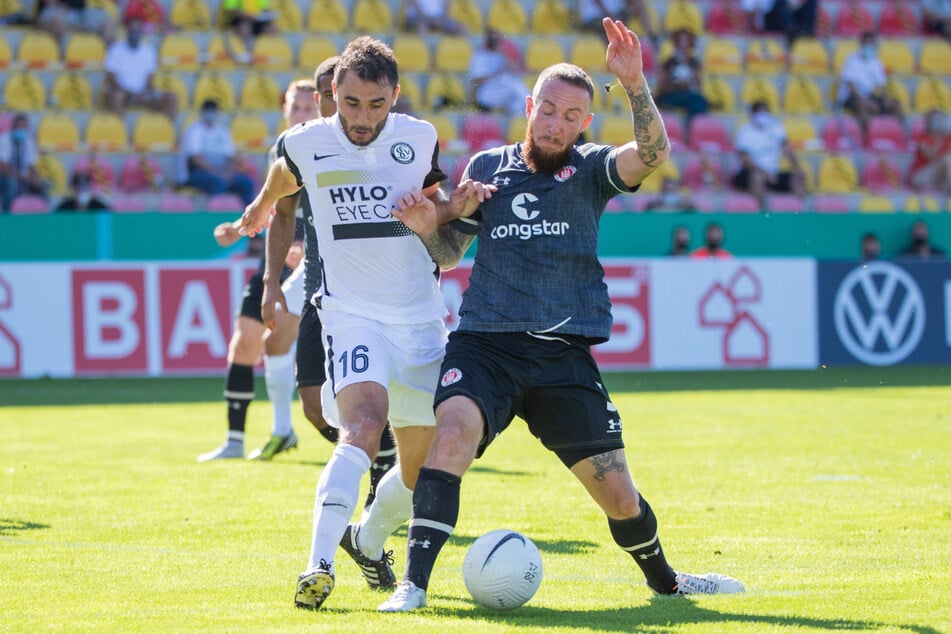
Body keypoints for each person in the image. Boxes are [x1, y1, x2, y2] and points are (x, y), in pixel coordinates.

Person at [377, 18, 745, 613]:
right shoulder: (488, 168)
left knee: (620, 497)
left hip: (562, 355)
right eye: (547, 111)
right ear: (530, 106)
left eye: (570, 117)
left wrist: (634, 84)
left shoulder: (594, 170)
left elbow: (652, 154)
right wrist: (427, 231)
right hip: (485, 348)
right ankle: (412, 586)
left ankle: (668, 583)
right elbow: (450, 253)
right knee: (452, 437)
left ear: (585, 124)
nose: (556, 125)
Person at [237, 36, 487, 612]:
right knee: (363, 425)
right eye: (350, 103)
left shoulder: (418, 137)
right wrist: (259, 206)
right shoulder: (307, 142)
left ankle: (367, 537)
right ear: (333, 95)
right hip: (351, 315)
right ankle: (317, 565)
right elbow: (281, 176)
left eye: (376, 105)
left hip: (422, 321)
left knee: (425, 464)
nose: (362, 118)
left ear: (394, 97)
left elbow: (435, 206)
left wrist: (457, 207)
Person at [178, 99, 255, 205]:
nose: (211, 114)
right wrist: (218, 173)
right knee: (218, 183)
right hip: (198, 173)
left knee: (246, 183)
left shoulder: (222, 131)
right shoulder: (194, 130)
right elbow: (196, 159)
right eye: (208, 110)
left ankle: (249, 217)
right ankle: (217, 216)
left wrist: (228, 173)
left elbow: (231, 158)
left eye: (213, 111)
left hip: (223, 172)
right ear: (202, 112)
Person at [732, 100, 805, 208]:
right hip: (751, 172)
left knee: (797, 178)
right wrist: (765, 174)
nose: (762, 116)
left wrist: (798, 167)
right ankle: (763, 215)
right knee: (757, 178)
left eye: (764, 112)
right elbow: (745, 161)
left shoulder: (776, 128)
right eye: (759, 112)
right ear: (752, 114)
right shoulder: (745, 132)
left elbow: (787, 150)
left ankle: (801, 214)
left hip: (773, 172)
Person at [102, 18, 177, 120]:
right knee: (118, 96)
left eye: (137, 31)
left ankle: (167, 131)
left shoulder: (149, 51)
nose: (134, 34)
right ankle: (119, 131)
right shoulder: (116, 49)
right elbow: (111, 78)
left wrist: (144, 92)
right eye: (132, 31)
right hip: (124, 93)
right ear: (127, 31)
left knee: (171, 98)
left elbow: (150, 78)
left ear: (141, 33)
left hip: (142, 93)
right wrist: (129, 92)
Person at [837, 31, 902, 138]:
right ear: (861, 44)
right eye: (866, 43)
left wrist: (886, 98)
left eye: (871, 44)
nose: (868, 46)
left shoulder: (876, 61)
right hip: (852, 96)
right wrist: (863, 100)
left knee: (895, 105)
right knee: (863, 106)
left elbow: (882, 85)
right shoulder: (852, 60)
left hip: (869, 95)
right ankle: (868, 137)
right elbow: (851, 86)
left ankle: (897, 137)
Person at [467, 28, 530, 116]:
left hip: (502, 91)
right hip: (486, 93)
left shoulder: (501, 55)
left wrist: (504, 54)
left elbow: (516, 71)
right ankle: (532, 106)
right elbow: (477, 81)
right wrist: (496, 74)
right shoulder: (479, 56)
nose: (495, 42)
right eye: (493, 40)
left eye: (497, 40)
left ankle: (521, 120)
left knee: (517, 102)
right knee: (512, 84)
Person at [654, 29, 708, 121]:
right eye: (681, 41)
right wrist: (678, 85)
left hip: (687, 94)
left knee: (699, 101)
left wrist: (695, 79)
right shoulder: (669, 62)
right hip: (672, 94)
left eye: (686, 41)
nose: (684, 45)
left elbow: (699, 84)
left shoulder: (693, 63)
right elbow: (662, 85)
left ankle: (692, 126)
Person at [0, 114, 47, 213]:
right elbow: (3, 165)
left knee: (42, 185)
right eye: (20, 126)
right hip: (5, 176)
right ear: (14, 127)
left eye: (24, 126)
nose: (22, 129)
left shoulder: (28, 140)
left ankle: (45, 217)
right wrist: (18, 176)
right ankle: (8, 216)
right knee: (12, 184)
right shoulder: (5, 139)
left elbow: (32, 164)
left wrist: (34, 177)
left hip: (23, 177)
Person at [908, 110, 951, 196]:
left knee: (948, 158)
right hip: (921, 175)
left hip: (938, 176)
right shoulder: (922, 138)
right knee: (947, 159)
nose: (939, 123)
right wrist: (939, 140)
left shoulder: (948, 138)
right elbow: (931, 157)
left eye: (941, 120)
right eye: (936, 120)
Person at [35, 0, 117, 44]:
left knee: (107, 19)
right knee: (56, 20)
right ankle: (63, 57)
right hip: (56, 10)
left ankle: (105, 59)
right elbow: (50, 2)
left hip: (80, 12)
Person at [401, 0, 465, 35]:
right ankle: (423, 56)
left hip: (439, 18)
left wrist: (442, 19)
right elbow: (412, 2)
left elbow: (447, 3)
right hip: (418, 17)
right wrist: (428, 19)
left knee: (461, 28)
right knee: (421, 28)